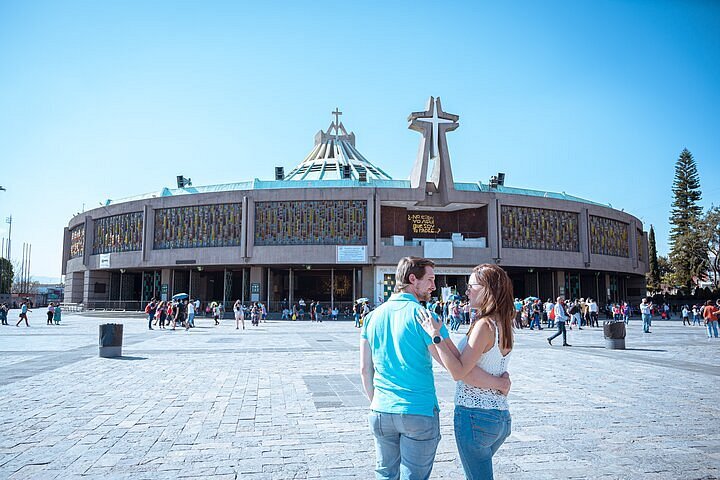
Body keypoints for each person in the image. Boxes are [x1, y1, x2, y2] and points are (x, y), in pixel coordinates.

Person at [360, 257, 510, 480]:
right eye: (430, 279)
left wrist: (376, 402)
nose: (434, 285)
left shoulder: (371, 317)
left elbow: (364, 369)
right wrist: (499, 382)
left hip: (381, 410)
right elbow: (459, 368)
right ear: (413, 279)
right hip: (417, 411)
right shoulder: (425, 317)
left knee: (384, 474)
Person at [418, 263, 514, 480]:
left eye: (472, 286)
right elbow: (464, 363)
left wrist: (435, 337)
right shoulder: (504, 322)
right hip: (500, 417)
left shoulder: (484, 325)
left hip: (475, 416)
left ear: (488, 289)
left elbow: (459, 371)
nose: (467, 290)